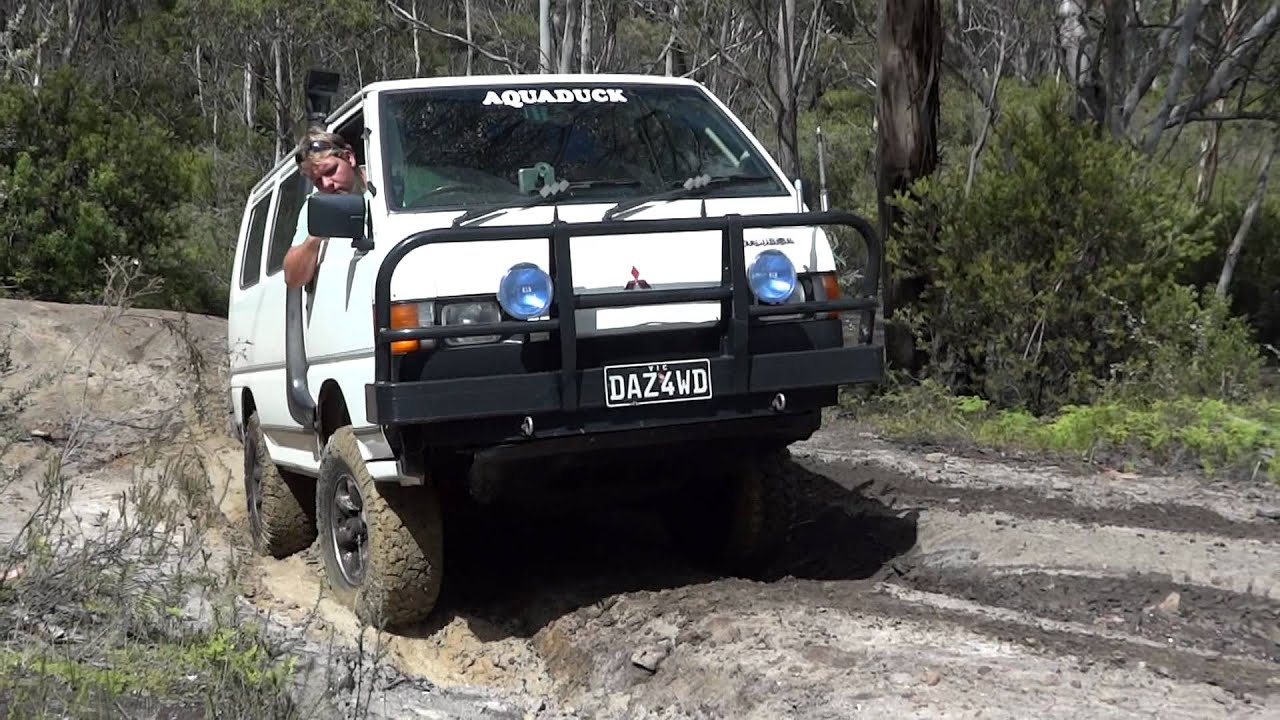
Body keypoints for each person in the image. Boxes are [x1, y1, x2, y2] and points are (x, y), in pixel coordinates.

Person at [283, 128, 371, 288]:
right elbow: (292, 278)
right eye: (317, 181)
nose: (326, 184)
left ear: (349, 157)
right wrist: (315, 236)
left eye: (331, 171)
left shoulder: (389, 181)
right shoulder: (315, 206)